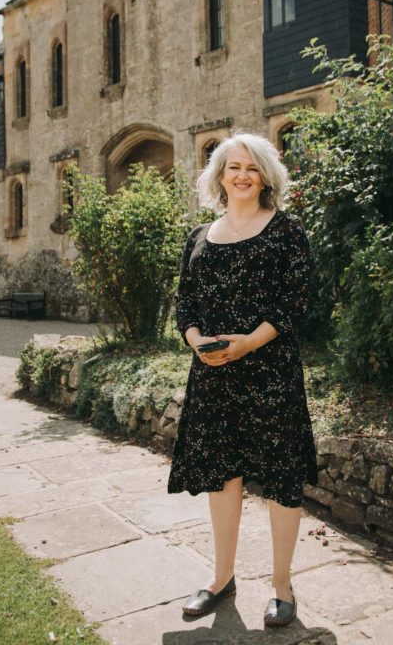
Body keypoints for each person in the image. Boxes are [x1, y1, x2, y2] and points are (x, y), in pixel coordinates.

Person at [167, 129, 318, 627]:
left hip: (270, 373)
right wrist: (195, 340)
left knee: (280, 480)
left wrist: (250, 342)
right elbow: (184, 302)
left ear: (266, 176)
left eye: (252, 167)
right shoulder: (199, 237)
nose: (243, 175)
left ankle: (281, 585)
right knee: (222, 476)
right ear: (219, 175)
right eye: (234, 166)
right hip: (213, 376)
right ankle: (221, 579)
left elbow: (296, 299)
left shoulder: (286, 231)